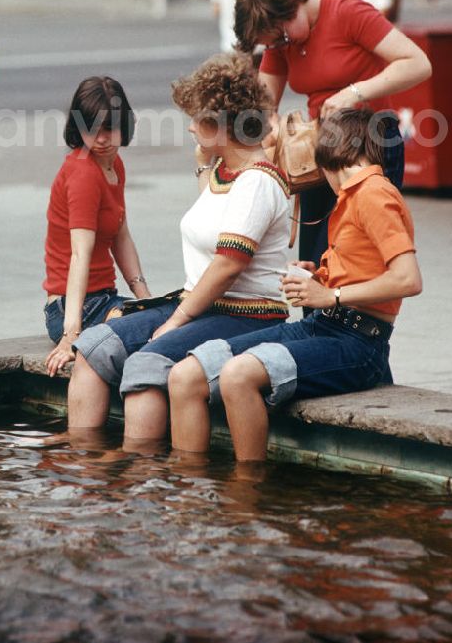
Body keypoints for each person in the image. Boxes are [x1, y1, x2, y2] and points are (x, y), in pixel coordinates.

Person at [167, 107, 422, 458]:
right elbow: (364, 269)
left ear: (336, 153)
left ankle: (248, 496)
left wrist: (330, 294)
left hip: (358, 343)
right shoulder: (353, 195)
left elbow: (408, 279)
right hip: (324, 327)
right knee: (187, 373)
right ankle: (189, 489)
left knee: (238, 375)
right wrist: (318, 276)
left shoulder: (374, 194)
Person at [66, 54, 292, 442]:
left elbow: (228, 265)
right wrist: (204, 164)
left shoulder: (257, 182)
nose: (189, 127)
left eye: (196, 119)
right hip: (202, 302)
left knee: (147, 362)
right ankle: (83, 463)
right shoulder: (225, 171)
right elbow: (211, 222)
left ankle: (145, 474)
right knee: (93, 345)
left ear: (219, 125)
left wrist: (175, 321)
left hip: (245, 312)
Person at [233, 0, 431, 266]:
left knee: (350, 257)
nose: (279, 46)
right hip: (319, 150)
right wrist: (270, 130)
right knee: (314, 264)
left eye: (281, 37)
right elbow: (263, 105)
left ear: (294, 5)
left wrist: (354, 92)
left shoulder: (349, 12)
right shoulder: (280, 44)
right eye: (272, 44)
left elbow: (418, 63)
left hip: (370, 143)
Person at [43, 77, 152, 376]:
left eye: (109, 128)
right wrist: (71, 336)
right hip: (72, 308)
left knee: (167, 316)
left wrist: (146, 298)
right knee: (157, 328)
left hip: (104, 299)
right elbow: (80, 255)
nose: (101, 138)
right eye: (91, 129)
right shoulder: (82, 173)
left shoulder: (113, 165)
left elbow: (122, 237)